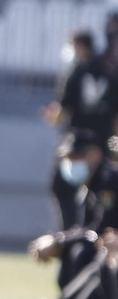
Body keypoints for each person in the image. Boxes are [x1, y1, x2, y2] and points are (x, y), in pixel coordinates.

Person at [0, 129, 118, 299]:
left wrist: (59, 241)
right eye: (69, 158)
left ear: (95, 155)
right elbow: (93, 230)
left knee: (100, 260)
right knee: (87, 258)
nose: (72, 163)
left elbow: (98, 230)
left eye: (77, 157)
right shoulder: (90, 185)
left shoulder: (110, 181)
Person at [46, 32, 115, 229]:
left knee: (60, 186)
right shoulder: (110, 72)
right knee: (101, 193)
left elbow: (62, 111)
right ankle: (95, 230)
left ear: (81, 47)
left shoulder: (75, 73)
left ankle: (70, 234)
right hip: (102, 147)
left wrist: (51, 116)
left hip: (76, 146)